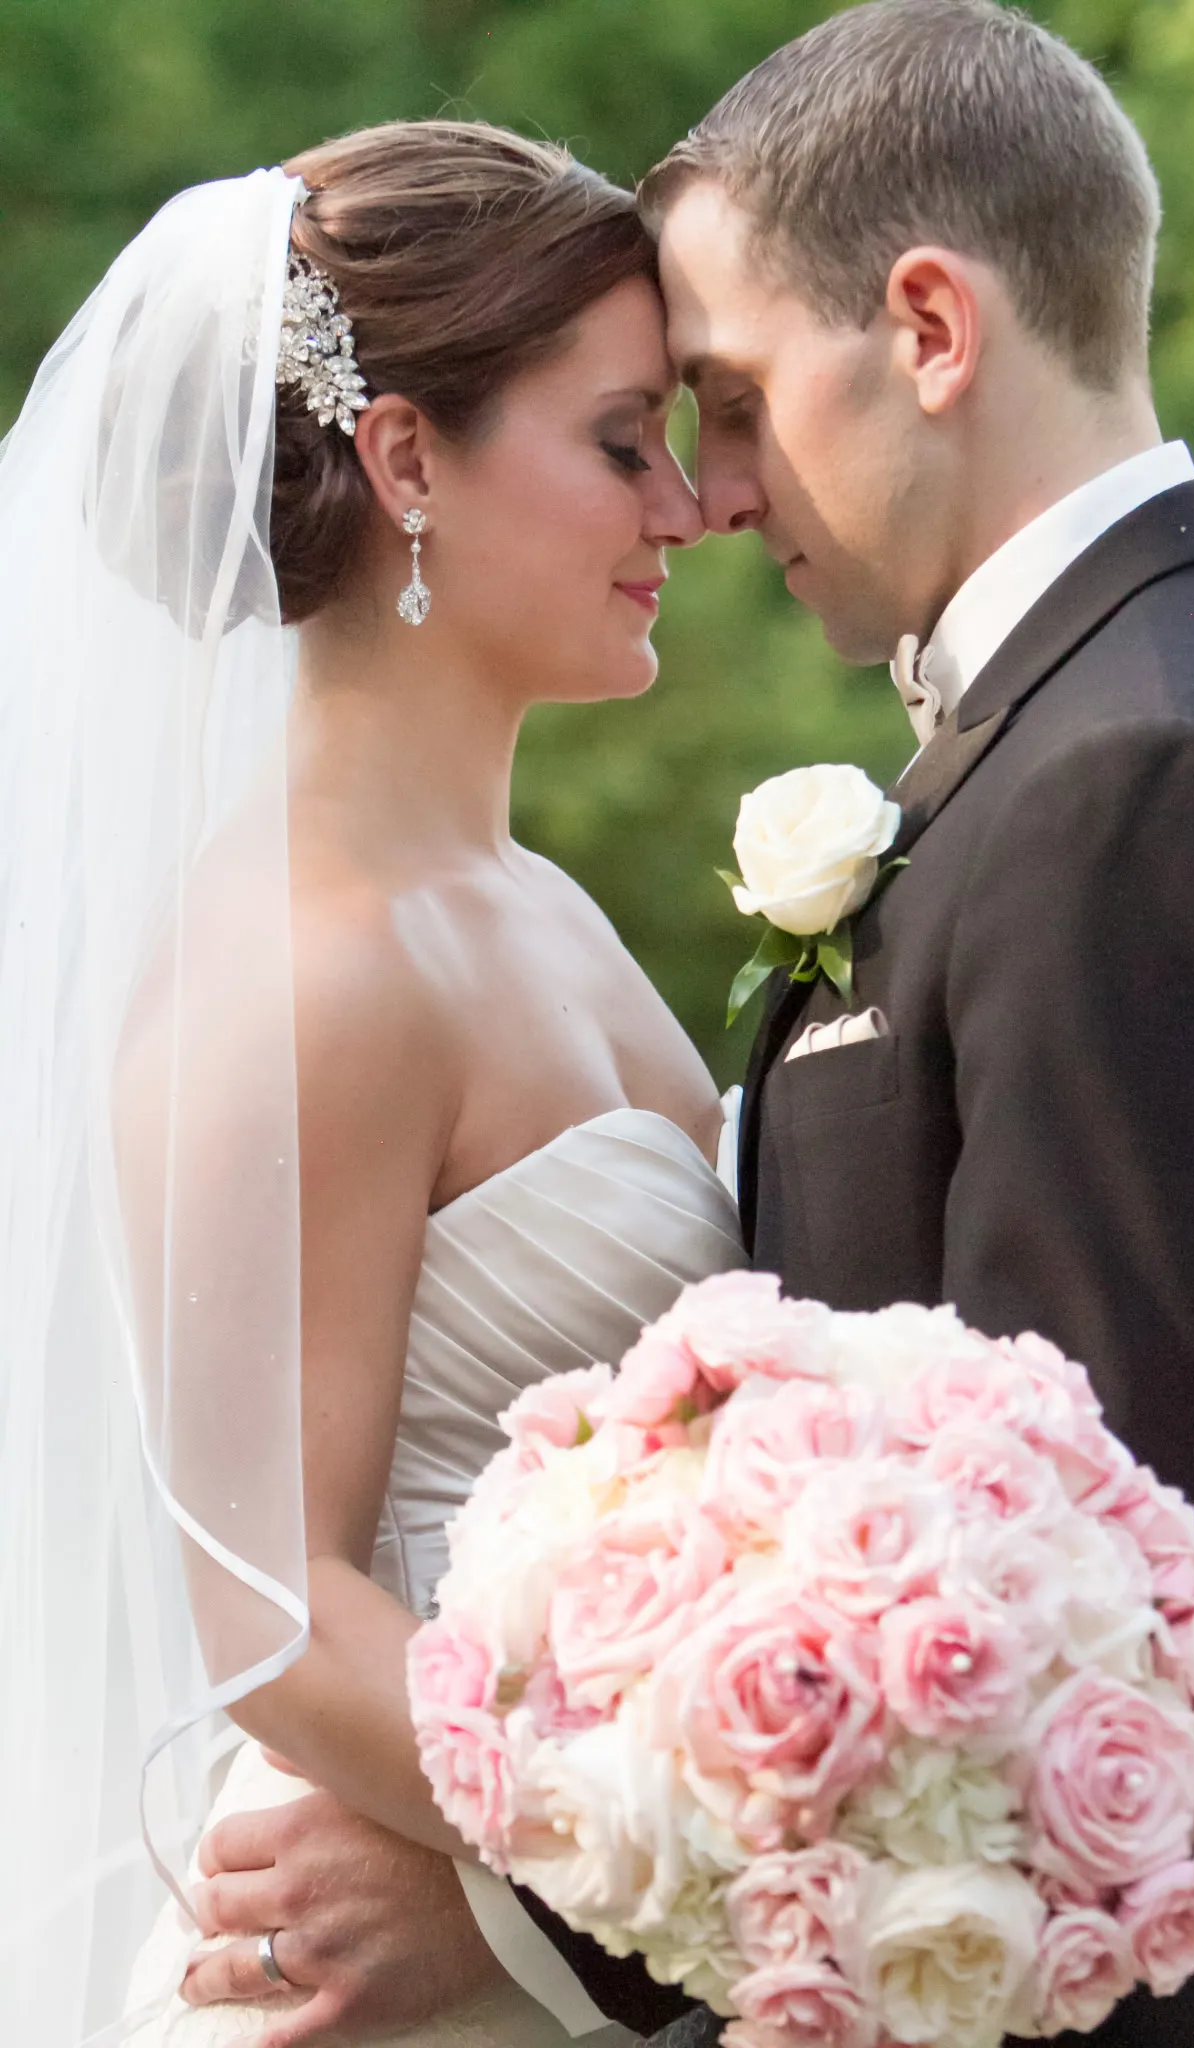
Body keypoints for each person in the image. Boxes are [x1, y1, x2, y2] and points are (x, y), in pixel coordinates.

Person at [194, 6, 1194, 2048]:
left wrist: (535, 1917)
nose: (708, 496)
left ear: (926, 326)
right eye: (639, 435)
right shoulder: (1091, 744)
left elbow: (1041, 1602)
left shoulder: (1134, 775)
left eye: (714, 406)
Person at [0, 121, 750, 2048]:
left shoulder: (536, 906)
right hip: (389, 1966)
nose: (684, 508)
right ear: (408, 458)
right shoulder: (300, 967)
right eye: (619, 442)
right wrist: (703, 1869)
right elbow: (268, 1606)